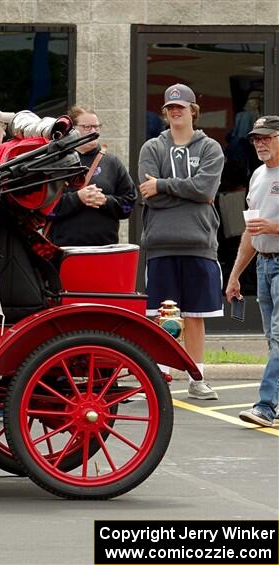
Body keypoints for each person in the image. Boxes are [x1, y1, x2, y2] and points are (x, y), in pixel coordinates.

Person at [138, 83, 224, 400]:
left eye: (181, 107)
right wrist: (185, 192)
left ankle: (197, 376)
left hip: (199, 241)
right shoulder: (152, 148)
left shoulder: (210, 148)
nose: (175, 112)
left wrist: (163, 185)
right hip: (161, 242)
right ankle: (162, 375)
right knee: (163, 316)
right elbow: (149, 197)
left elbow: (205, 190)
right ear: (165, 112)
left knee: (195, 315)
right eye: (170, 108)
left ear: (193, 111)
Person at [225, 115, 279, 427]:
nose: (260, 143)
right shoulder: (258, 175)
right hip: (263, 262)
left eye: (266, 137)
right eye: (256, 139)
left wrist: (272, 226)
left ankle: (266, 407)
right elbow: (250, 231)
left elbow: (263, 226)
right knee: (272, 339)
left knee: (277, 336)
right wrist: (234, 276)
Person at [48, 105, 136, 246]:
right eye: (87, 127)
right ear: (72, 129)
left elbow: (129, 204)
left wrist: (105, 201)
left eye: (96, 126)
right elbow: (44, 209)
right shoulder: (56, 162)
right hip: (65, 250)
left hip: (105, 250)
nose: (94, 131)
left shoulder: (111, 162)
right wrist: (78, 198)